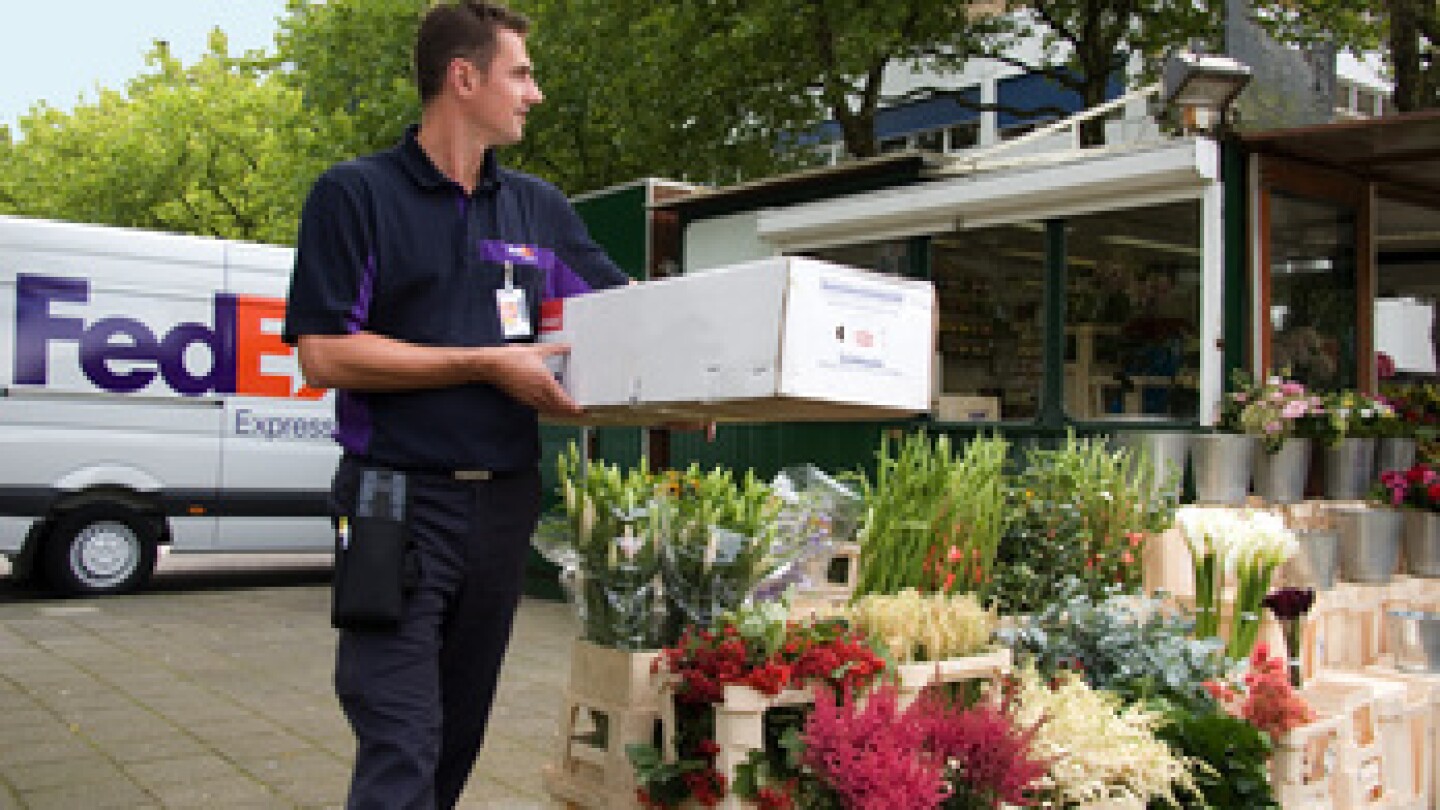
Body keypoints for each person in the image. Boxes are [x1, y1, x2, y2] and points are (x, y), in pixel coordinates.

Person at [282, 2, 632, 807]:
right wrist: (483, 363)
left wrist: (702, 386)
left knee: (458, 733)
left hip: (504, 506)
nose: (534, 94)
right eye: (522, 73)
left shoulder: (538, 208)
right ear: (463, 77)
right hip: (393, 503)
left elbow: (624, 309)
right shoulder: (355, 195)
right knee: (401, 737)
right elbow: (325, 352)